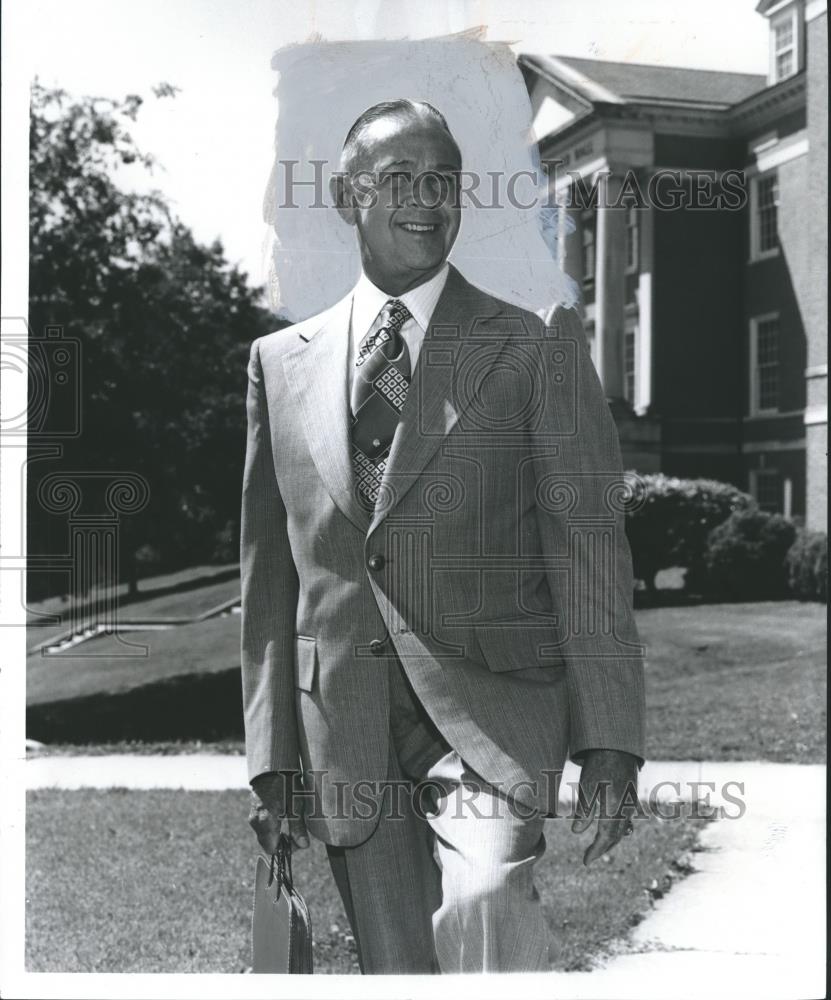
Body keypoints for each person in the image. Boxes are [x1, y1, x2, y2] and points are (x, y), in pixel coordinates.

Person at [241, 98, 645, 974]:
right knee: (397, 970)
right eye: (399, 179)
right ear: (348, 198)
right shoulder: (279, 364)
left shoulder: (532, 343)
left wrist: (609, 740)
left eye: (442, 179)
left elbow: (587, 550)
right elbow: (271, 578)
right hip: (342, 725)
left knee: (488, 902)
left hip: (492, 710)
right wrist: (270, 757)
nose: (427, 198)